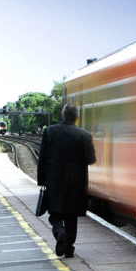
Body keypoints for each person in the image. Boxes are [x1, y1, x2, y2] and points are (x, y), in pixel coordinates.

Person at [37, 103, 96, 258]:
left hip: (54, 181)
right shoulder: (84, 135)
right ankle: (69, 249)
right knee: (71, 217)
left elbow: (42, 158)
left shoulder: (49, 131)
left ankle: (59, 231)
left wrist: (41, 180)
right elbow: (91, 160)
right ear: (76, 117)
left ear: (63, 115)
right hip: (76, 183)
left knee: (54, 214)